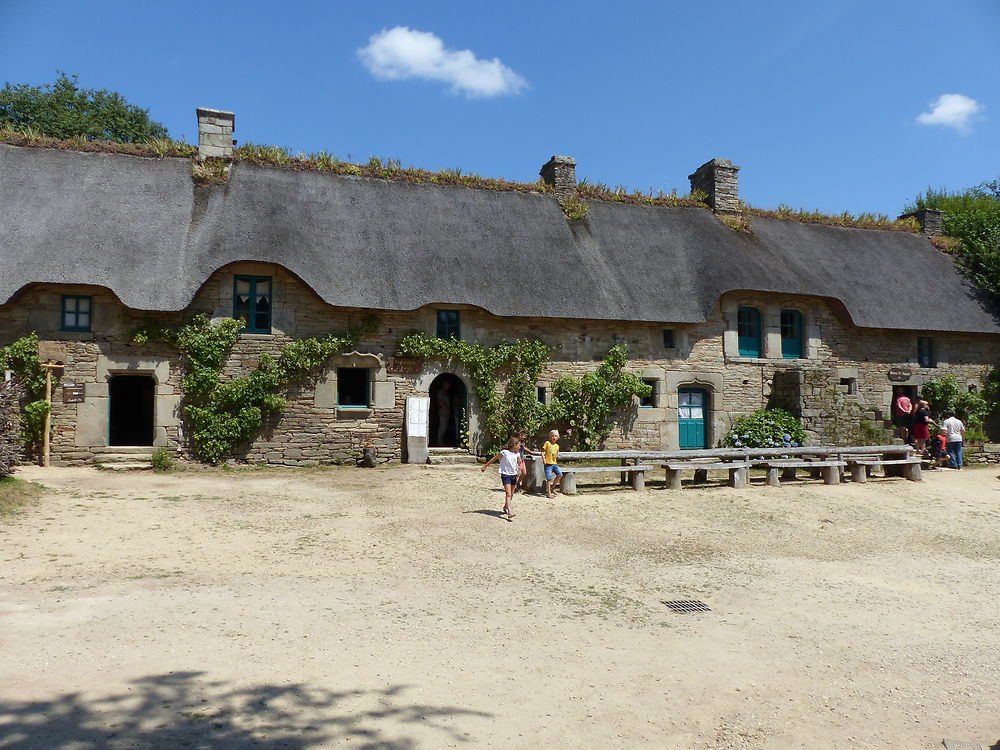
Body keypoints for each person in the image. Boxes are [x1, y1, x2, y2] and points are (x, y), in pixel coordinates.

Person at [481, 437, 522, 520]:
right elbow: (494, 459)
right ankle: (510, 512)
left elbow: (520, 462)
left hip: (513, 475)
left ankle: (505, 506)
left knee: (512, 493)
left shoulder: (517, 454)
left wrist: (520, 468)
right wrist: (485, 466)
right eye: (519, 445)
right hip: (505, 475)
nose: (520, 446)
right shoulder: (504, 452)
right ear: (514, 445)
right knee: (508, 493)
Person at [514, 429, 539, 494]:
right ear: (520, 435)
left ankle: (517, 484)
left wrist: (530, 452)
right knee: (517, 474)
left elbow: (524, 447)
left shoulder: (522, 442)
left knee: (524, 473)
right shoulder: (514, 441)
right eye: (523, 435)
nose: (525, 437)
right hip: (516, 460)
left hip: (522, 460)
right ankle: (514, 487)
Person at [542, 429, 563, 498]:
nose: (554, 437)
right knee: (549, 478)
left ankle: (553, 487)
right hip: (548, 464)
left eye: (555, 436)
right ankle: (548, 493)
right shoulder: (547, 443)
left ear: (558, 437)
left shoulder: (557, 446)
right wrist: (544, 459)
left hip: (554, 463)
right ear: (550, 436)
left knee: (560, 474)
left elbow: (556, 454)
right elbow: (542, 451)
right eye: (552, 436)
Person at [435, 379, 454, 446]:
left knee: (445, 427)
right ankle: (439, 442)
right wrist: (447, 409)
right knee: (442, 427)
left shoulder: (445, 392)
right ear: (444, 385)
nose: (449, 386)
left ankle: (442, 441)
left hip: (446, 412)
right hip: (443, 412)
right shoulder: (441, 392)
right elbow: (441, 402)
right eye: (448, 385)